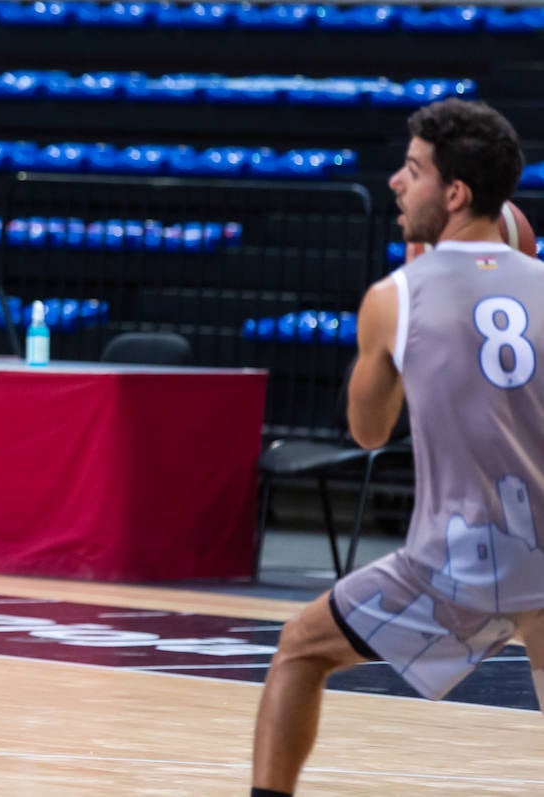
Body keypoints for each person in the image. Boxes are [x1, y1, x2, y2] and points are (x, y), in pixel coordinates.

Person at [251, 98, 544, 796]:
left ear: (454, 193)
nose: (394, 182)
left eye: (412, 170)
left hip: (459, 560)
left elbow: (369, 432)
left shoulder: (396, 295)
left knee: (298, 649)